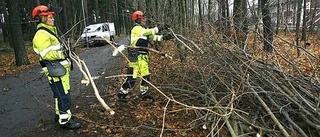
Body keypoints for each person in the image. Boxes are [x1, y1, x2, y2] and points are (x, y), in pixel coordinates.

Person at [32, 5, 81, 130]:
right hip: (55, 70)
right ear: (41, 19)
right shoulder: (41, 34)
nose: (52, 19)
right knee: (63, 95)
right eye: (49, 17)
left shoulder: (49, 32)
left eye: (52, 16)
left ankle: (60, 115)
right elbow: (45, 54)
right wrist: (63, 52)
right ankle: (65, 121)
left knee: (60, 93)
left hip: (60, 69)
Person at [117, 10, 174, 101]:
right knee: (132, 77)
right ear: (137, 20)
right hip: (135, 56)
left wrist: (165, 37)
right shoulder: (137, 29)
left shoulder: (143, 30)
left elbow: (153, 37)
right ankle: (122, 94)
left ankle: (144, 93)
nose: (144, 20)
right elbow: (148, 32)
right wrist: (160, 28)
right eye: (142, 18)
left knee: (146, 75)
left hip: (143, 56)